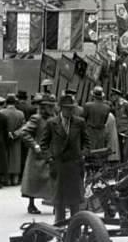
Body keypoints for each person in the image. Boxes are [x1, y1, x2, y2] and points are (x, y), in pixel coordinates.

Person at [41, 94, 90, 223]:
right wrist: (50, 158)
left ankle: (75, 231)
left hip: (75, 166)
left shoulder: (79, 122)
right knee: (59, 203)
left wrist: (82, 154)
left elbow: (87, 143)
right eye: (67, 108)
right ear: (61, 108)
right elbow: (43, 145)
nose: (70, 111)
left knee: (75, 203)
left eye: (72, 108)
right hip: (59, 166)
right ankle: (59, 231)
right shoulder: (52, 123)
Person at [19, 93, 55, 214]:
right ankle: (31, 205)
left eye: (52, 106)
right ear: (43, 107)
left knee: (52, 179)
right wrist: (34, 145)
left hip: (50, 152)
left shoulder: (54, 118)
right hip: (37, 154)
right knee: (34, 180)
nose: (52, 108)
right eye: (49, 106)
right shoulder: (36, 118)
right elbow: (24, 132)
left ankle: (56, 204)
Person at [0, 94, 25, 186]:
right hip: (16, 139)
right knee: (15, 158)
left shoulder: (1, 112)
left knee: (6, 157)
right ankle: (15, 179)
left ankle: (6, 179)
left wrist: (7, 133)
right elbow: (24, 127)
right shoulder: (20, 113)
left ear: (6, 102)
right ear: (15, 103)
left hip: (5, 138)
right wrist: (15, 134)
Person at [110, 88, 128, 162]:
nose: (111, 97)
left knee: (127, 152)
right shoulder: (116, 105)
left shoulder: (125, 104)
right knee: (121, 151)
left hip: (126, 130)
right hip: (119, 130)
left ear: (117, 96)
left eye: (112, 95)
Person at [82, 86, 110, 150]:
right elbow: (105, 121)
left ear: (93, 96)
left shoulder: (87, 105)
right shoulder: (107, 107)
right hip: (101, 132)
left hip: (90, 132)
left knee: (90, 151)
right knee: (100, 151)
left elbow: (83, 119)